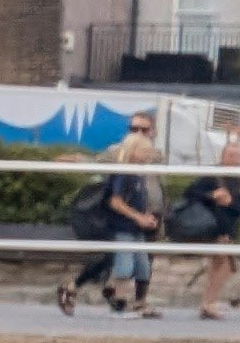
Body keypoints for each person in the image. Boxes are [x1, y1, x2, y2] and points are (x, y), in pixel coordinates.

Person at [61, 115, 164, 318]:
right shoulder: (119, 157)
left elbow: (157, 186)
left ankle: (131, 300)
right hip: (124, 222)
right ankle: (116, 298)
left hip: (146, 217)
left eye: (144, 129)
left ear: (152, 131)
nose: (138, 133)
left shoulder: (154, 158)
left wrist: (153, 215)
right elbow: (96, 164)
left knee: (141, 264)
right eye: (134, 129)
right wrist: (74, 159)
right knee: (117, 263)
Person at [168, 133, 240, 319]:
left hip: (227, 229)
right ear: (222, 156)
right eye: (230, 155)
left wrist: (230, 202)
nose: (233, 159)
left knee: (225, 267)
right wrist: (212, 196)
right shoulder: (211, 176)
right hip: (211, 228)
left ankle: (209, 302)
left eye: (237, 156)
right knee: (223, 264)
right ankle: (208, 303)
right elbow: (190, 193)